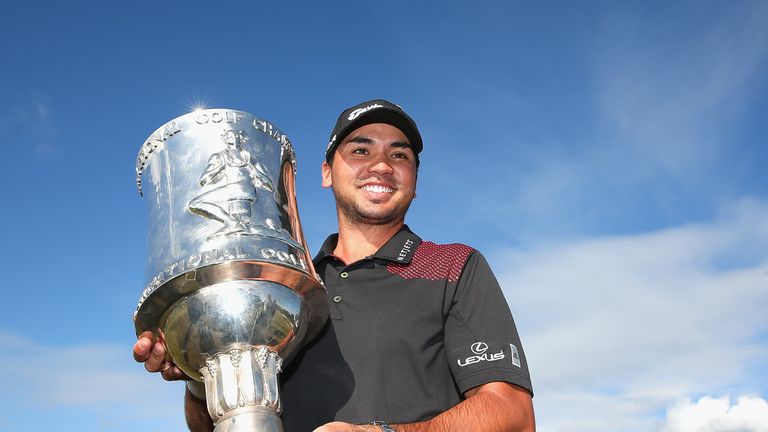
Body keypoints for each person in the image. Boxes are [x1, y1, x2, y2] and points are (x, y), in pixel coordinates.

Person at [134, 99, 535, 432]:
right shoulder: (284, 285)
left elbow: (513, 415)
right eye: (361, 150)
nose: (381, 165)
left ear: (415, 179)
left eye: (400, 155)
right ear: (327, 173)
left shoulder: (453, 266)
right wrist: (202, 373)